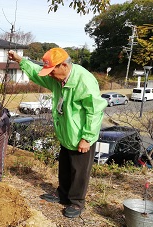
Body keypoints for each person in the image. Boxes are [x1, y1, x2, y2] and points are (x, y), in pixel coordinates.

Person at [8, 48, 107, 218]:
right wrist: (20, 60)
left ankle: (76, 202)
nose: (50, 74)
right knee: (65, 167)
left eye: (52, 70)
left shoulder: (83, 80)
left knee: (79, 170)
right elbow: (37, 73)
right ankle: (62, 193)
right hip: (66, 133)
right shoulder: (57, 78)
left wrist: (87, 137)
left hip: (80, 136)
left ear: (64, 65)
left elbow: (95, 110)